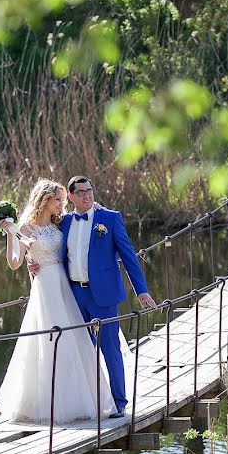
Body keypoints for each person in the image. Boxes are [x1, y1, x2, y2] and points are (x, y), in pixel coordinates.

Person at [32, 176, 156, 418]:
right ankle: (88, 402)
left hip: (104, 295)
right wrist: (30, 261)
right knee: (78, 350)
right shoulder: (64, 223)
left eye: (90, 191)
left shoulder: (109, 218)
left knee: (110, 348)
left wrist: (141, 289)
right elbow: (42, 242)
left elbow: (128, 255)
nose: (87, 196)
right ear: (71, 197)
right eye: (80, 193)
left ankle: (119, 402)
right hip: (74, 295)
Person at [0, 179, 116, 424]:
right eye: (58, 199)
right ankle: (47, 404)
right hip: (45, 288)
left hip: (64, 284)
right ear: (45, 200)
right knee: (47, 342)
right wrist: (10, 234)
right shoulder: (26, 229)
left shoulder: (61, 223)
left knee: (74, 340)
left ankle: (81, 400)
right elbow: (15, 262)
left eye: (62, 199)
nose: (62, 204)